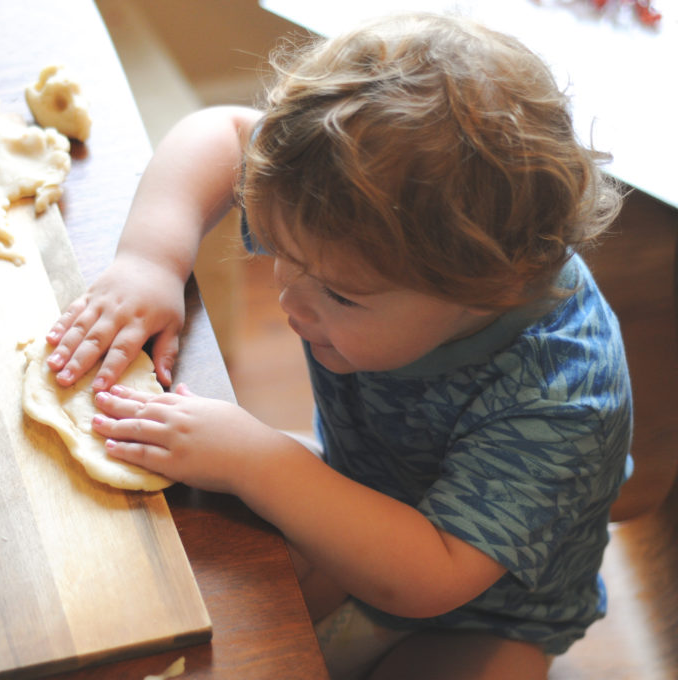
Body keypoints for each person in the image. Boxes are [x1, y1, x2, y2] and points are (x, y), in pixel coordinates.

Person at [45, 12, 632, 680]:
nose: (289, 301)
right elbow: (224, 132)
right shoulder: (363, 220)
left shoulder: (562, 399)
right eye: (284, 257)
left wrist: (254, 460)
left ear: (487, 294)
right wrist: (151, 257)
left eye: (340, 296)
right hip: (360, 487)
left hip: (482, 610)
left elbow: (429, 576)